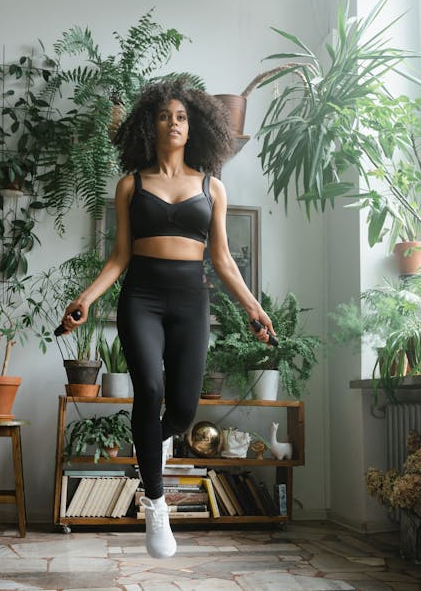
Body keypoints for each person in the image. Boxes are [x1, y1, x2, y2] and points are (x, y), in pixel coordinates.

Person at [58, 79, 275, 559]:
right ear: (148, 126)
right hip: (142, 297)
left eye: (180, 116)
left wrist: (253, 307)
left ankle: (146, 447)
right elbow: (117, 257)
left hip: (190, 301)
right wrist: (87, 298)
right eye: (164, 116)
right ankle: (155, 503)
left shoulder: (211, 186)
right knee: (149, 392)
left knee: (181, 409)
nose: (173, 123)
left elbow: (222, 260)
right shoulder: (131, 185)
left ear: (192, 125)